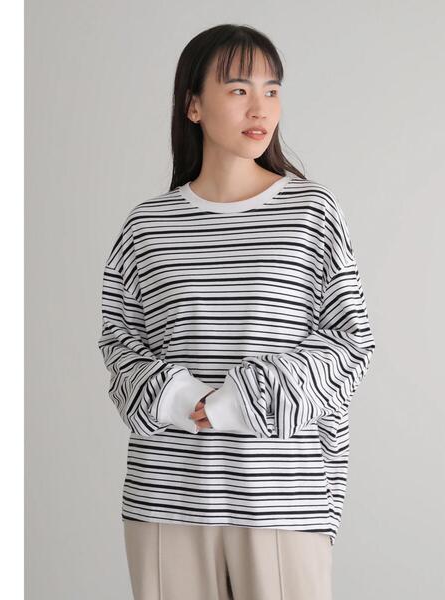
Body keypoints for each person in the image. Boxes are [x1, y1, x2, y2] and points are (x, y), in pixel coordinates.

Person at [97, 23, 376, 600]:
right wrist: (180, 398)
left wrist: (241, 400)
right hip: (165, 499)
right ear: (193, 106)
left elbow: (350, 345)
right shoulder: (148, 226)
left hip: (280, 499)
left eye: (272, 90)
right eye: (239, 89)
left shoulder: (311, 212)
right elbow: (119, 341)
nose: (261, 107)